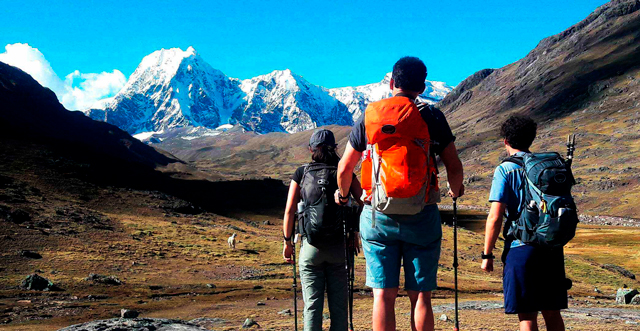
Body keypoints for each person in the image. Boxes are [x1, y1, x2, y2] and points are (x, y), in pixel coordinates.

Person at [336, 57, 464, 331]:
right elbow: (454, 166)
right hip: (422, 212)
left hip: (377, 215)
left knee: (383, 295)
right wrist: (455, 191)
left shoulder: (371, 116)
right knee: (421, 296)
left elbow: (345, 167)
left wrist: (344, 195)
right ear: (422, 86)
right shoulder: (432, 116)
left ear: (392, 82)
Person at [481, 115, 567, 331]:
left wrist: (487, 254)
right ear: (531, 139)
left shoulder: (505, 170)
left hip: (521, 247)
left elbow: (495, 216)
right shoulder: (545, 167)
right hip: (551, 246)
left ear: (505, 141)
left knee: (527, 314)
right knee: (551, 311)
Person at [282, 128, 363, 331]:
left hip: (310, 246)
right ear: (335, 148)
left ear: (311, 149)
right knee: (339, 308)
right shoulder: (343, 172)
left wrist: (287, 242)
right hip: (339, 248)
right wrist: (355, 232)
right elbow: (364, 201)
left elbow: (290, 210)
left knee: (312, 306)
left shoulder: (301, 173)